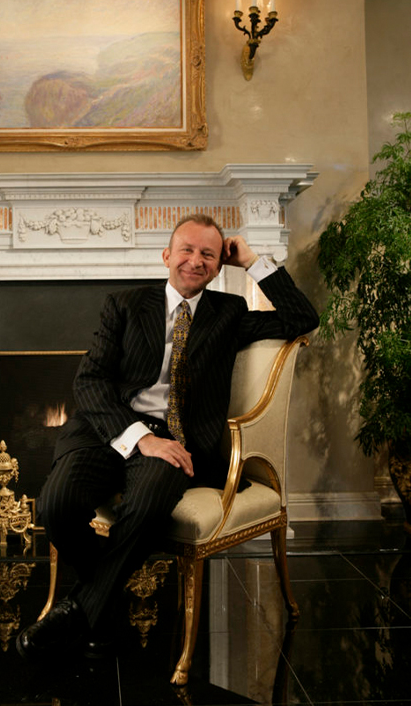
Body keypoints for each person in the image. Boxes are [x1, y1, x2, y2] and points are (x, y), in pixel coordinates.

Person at [16, 214, 319, 661]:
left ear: (218, 267)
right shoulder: (124, 304)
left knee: (148, 506)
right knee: (56, 506)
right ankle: (103, 602)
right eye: (187, 250)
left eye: (208, 255)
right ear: (166, 255)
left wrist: (252, 260)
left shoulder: (228, 314)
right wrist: (138, 437)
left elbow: (301, 318)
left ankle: (80, 612)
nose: (195, 261)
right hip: (112, 429)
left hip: (176, 439)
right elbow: (90, 381)